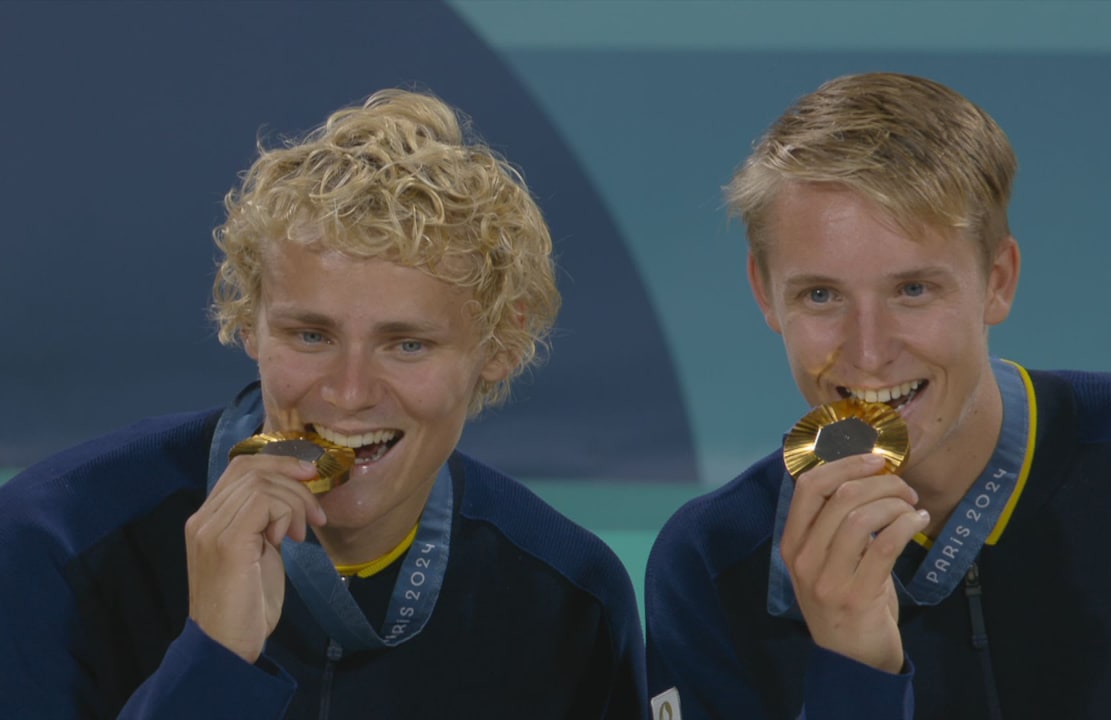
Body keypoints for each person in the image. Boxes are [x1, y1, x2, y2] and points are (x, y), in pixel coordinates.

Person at [644, 72, 1111, 719]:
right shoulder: (713, 563)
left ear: (997, 281)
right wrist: (853, 667)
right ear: (764, 292)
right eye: (821, 295)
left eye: (913, 290)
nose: (868, 351)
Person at [0, 89, 644, 719]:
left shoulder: (568, 598)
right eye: (312, 336)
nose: (349, 392)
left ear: (500, 346)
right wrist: (216, 657)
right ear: (248, 321)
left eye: (408, 345)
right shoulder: (58, 542)